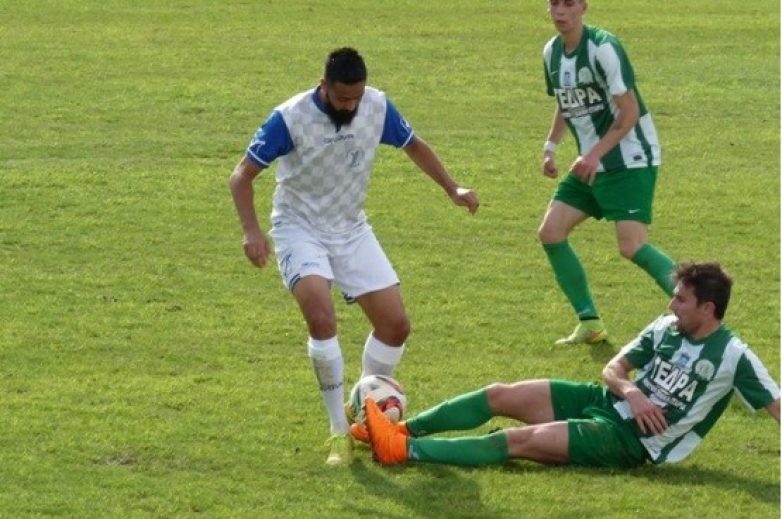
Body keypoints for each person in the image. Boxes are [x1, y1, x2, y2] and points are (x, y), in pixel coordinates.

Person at [229, 47, 479, 466]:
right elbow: (241, 176)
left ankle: (363, 407)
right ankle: (337, 433)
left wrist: (452, 188)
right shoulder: (289, 118)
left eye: (356, 98)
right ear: (323, 85)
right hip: (299, 228)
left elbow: (415, 145)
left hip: (350, 227)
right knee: (322, 318)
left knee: (396, 326)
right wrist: (252, 231)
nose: (351, 106)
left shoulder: (376, 106)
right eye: (343, 98)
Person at [360, 262, 780, 468]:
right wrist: (632, 392)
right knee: (498, 394)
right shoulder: (667, 326)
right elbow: (613, 369)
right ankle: (399, 428)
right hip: (606, 401)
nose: (670, 304)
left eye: (680, 300)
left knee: (514, 440)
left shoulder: (734, 356)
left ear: (708, 309)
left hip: (629, 441)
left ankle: (402, 451)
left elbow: (776, 406)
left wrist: (633, 407)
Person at [538, 0, 676, 344]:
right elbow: (564, 99)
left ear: (583, 6)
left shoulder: (604, 48)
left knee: (631, 246)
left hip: (628, 159)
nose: (560, 11)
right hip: (591, 161)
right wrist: (551, 146)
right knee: (551, 232)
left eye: (569, 3)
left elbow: (628, 113)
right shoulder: (551, 53)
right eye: (554, 3)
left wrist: (593, 155)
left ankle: (700, 307)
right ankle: (590, 323)